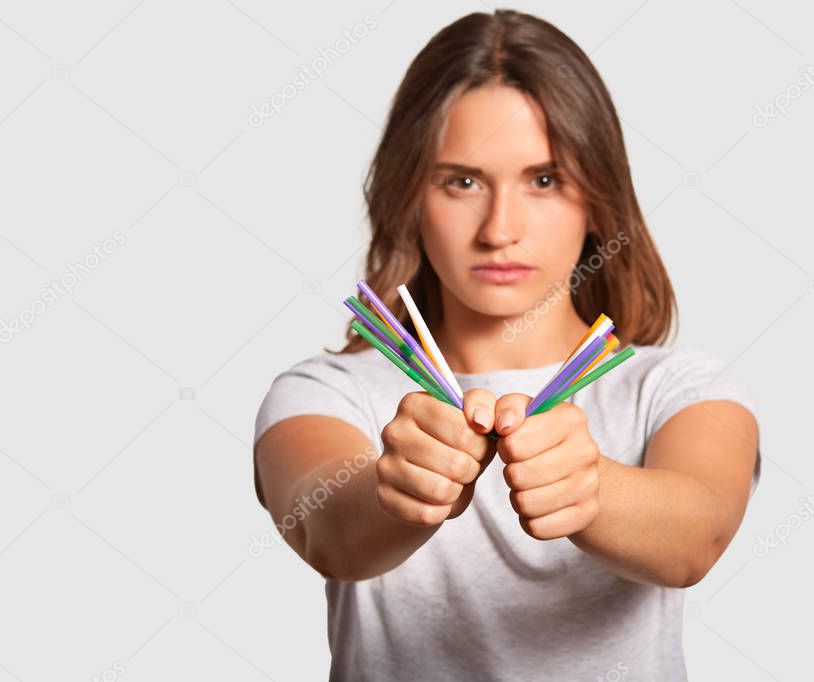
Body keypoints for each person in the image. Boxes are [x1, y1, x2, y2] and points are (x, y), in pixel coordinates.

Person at [253, 9, 761, 680]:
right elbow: (329, 533)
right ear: (410, 197)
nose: (499, 229)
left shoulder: (678, 387)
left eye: (544, 180)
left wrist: (590, 489)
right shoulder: (324, 392)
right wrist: (392, 491)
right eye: (460, 181)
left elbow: (696, 538)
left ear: (597, 203)